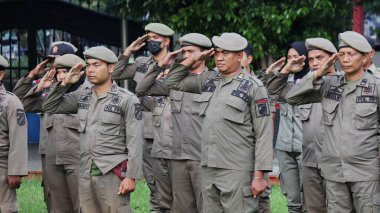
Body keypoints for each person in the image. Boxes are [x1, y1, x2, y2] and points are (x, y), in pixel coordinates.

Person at [165, 32, 273, 212]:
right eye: (217, 53)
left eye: (225, 53)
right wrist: (194, 59)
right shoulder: (210, 79)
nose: (219, 58)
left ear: (240, 56)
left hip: (237, 171)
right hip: (208, 168)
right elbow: (172, 81)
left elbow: (263, 133)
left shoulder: (254, 87)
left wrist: (260, 175)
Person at [286, 31, 380, 213]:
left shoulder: (376, 87)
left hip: (365, 172)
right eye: (342, 54)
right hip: (334, 172)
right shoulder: (329, 84)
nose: (345, 59)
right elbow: (292, 98)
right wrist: (317, 74)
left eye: (351, 54)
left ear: (364, 57)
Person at [42, 46, 143, 213]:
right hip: (86, 171)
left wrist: (131, 176)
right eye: (88, 65)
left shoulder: (127, 99)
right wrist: (64, 83)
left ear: (111, 68)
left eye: (97, 65)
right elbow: (49, 106)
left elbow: (135, 141)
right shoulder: (82, 96)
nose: (91, 70)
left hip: (112, 172)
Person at [137, 32, 213, 213]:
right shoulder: (174, 81)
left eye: (191, 51)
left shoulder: (214, 79)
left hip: (204, 159)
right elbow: (141, 89)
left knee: (208, 208)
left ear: (204, 54)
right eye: (184, 52)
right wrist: (160, 65)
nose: (186, 56)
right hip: (178, 158)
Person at [266, 37, 338, 213]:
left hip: (336, 162)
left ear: (333, 58)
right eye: (311, 59)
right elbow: (274, 91)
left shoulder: (343, 84)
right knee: (307, 207)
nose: (314, 63)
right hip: (311, 161)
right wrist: (285, 71)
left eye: (319, 58)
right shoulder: (304, 88)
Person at [112, 23, 174, 212]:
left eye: (155, 38)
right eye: (149, 38)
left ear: (166, 41)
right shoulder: (141, 63)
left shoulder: (177, 64)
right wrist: (128, 51)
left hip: (168, 130)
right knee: (153, 181)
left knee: (172, 183)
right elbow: (114, 73)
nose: (151, 41)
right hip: (145, 130)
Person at [13, 41, 77, 212]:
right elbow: (20, 103)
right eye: (52, 62)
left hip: (75, 154)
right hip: (49, 152)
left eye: (58, 61)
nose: (54, 67)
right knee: (54, 203)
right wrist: (35, 80)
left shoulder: (83, 89)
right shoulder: (49, 90)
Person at [22, 54, 87, 212]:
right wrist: (39, 87)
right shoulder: (53, 94)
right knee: (57, 206)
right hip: (54, 159)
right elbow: (26, 104)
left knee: (83, 204)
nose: (62, 76)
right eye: (59, 72)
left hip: (79, 158)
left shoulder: (89, 93)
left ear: (80, 72)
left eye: (66, 71)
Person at [266, 41, 308, 213]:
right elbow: (269, 91)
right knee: (293, 202)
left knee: (309, 201)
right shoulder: (283, 82)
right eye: (289, 57)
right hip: (284, 147)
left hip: (305, 148)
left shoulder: (313, 80)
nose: (293, 61)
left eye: (296, 57)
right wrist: (279, 71)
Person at [241, 43, 273, 213]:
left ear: (249, 59)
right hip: (235, 155)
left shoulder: (259, 85)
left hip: (257, 152)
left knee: (260, 198)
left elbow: (267, 125)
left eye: (241, 55)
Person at [0, 54, 28, 213]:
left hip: (2, 164)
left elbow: (18, 137)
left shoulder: (11, 102)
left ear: (1, 74)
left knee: (5, 208)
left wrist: (15, 172)